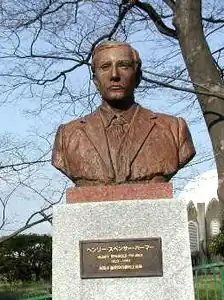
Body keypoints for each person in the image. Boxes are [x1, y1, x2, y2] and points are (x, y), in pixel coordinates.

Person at [52, 41, 196, 186]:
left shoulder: (174, 129)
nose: (114, 75)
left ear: (138, 77)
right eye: (105, 67)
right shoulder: (68, 135)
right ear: (95, 80)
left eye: (124, 66)